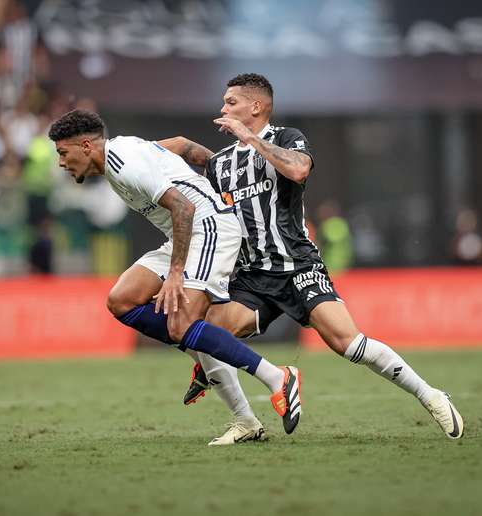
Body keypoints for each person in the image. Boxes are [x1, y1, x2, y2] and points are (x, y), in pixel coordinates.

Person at [163, 73, 464, 440]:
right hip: (252, 275)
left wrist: (251, 138)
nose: (222, 109)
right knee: (200, 333)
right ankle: (245, 421)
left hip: (297, 266)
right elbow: (183, 156)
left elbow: (298, 169)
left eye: (231, 102)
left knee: (348, 344)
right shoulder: (221, 163)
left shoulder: (287, 138)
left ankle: (430, 395)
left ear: (256, 106)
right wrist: (121, 152)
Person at [47, 109, 301, 444]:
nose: (62, 163)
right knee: (121, 300)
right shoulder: (124, 151)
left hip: (210, 228)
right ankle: (224, 386)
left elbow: (184, 207)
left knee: (181, 324)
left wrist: (176, 272)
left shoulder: (125, 163)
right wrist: (222, 177)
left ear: (85, 146)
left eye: (63, 153)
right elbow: (181, 146)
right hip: (186, 235)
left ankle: (277, 377)